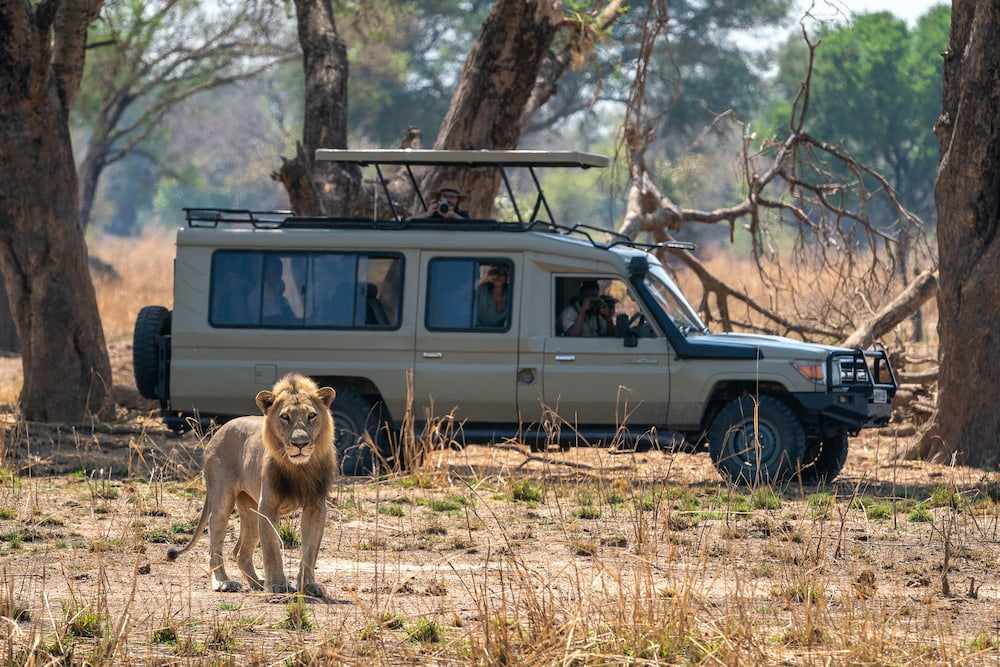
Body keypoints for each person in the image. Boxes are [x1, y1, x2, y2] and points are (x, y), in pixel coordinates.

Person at [476, 263, 510, 327]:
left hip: (501, 333)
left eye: (502, 273)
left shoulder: (510, 291)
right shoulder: (483, 288)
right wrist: (485, 278)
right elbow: (460, 293)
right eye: (495, 272)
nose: (498, 276)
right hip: (479, 330)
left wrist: (510, 274)